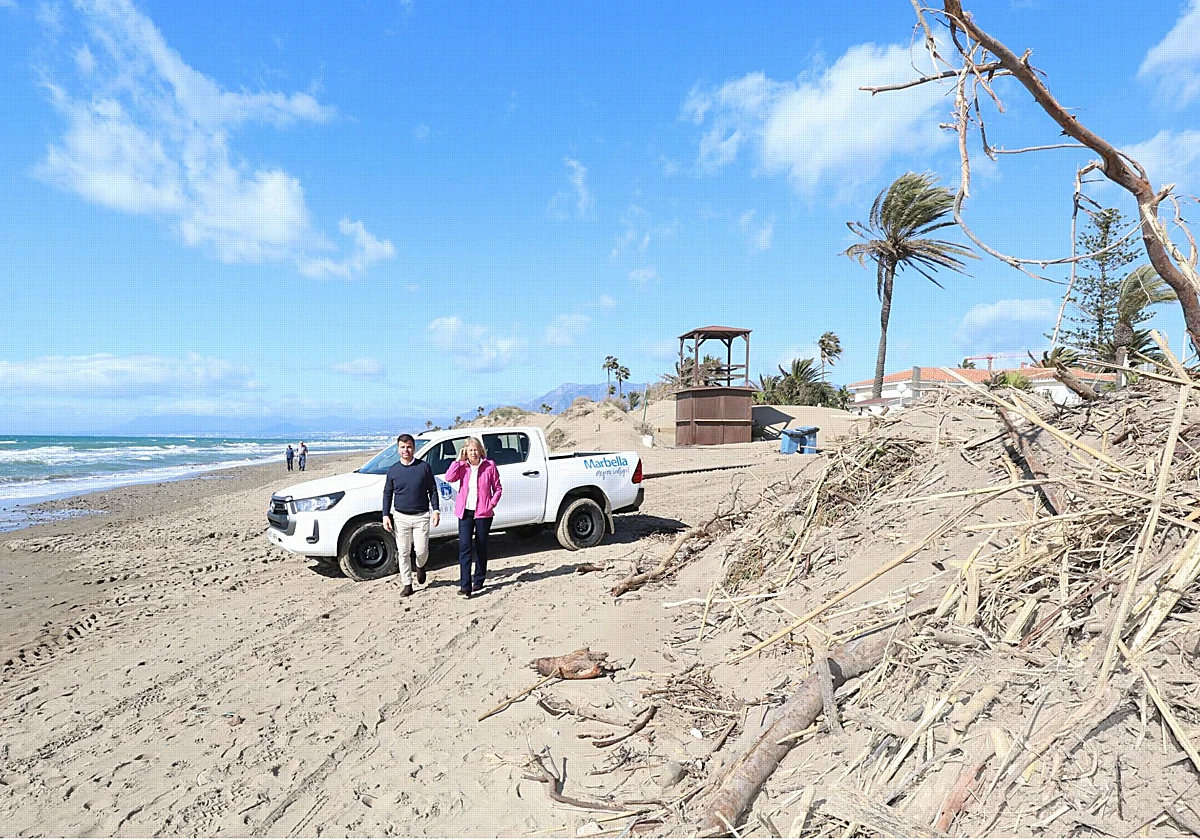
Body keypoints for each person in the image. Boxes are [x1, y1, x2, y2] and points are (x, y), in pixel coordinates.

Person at [382, 434, 441, 596]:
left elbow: (433, 490)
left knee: (422, 551)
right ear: (398, 449)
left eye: (408, 447)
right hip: (400, 517)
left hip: (421, 516)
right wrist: (385, 514)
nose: (405, 450)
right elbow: (387, 493)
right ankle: (407, 584)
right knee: (403, 551)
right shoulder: (393, 470)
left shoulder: (424, 467)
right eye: (402, 447)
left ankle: (420, 566)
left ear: (414, 448)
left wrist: (436, 509)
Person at [444, 436, 502, 598]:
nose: (473, 453)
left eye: (476, 450)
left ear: (480, 451)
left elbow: (498, 488)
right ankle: (465, 585)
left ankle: (479, 579)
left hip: (483, 512)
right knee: (464, 547)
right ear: (466, 452)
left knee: (481, 546)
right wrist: (457, 460)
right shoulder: (462, 467)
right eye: (470, 450)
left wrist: (491, 503)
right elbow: (449, 478)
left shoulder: (489, 466)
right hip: (465, 512)